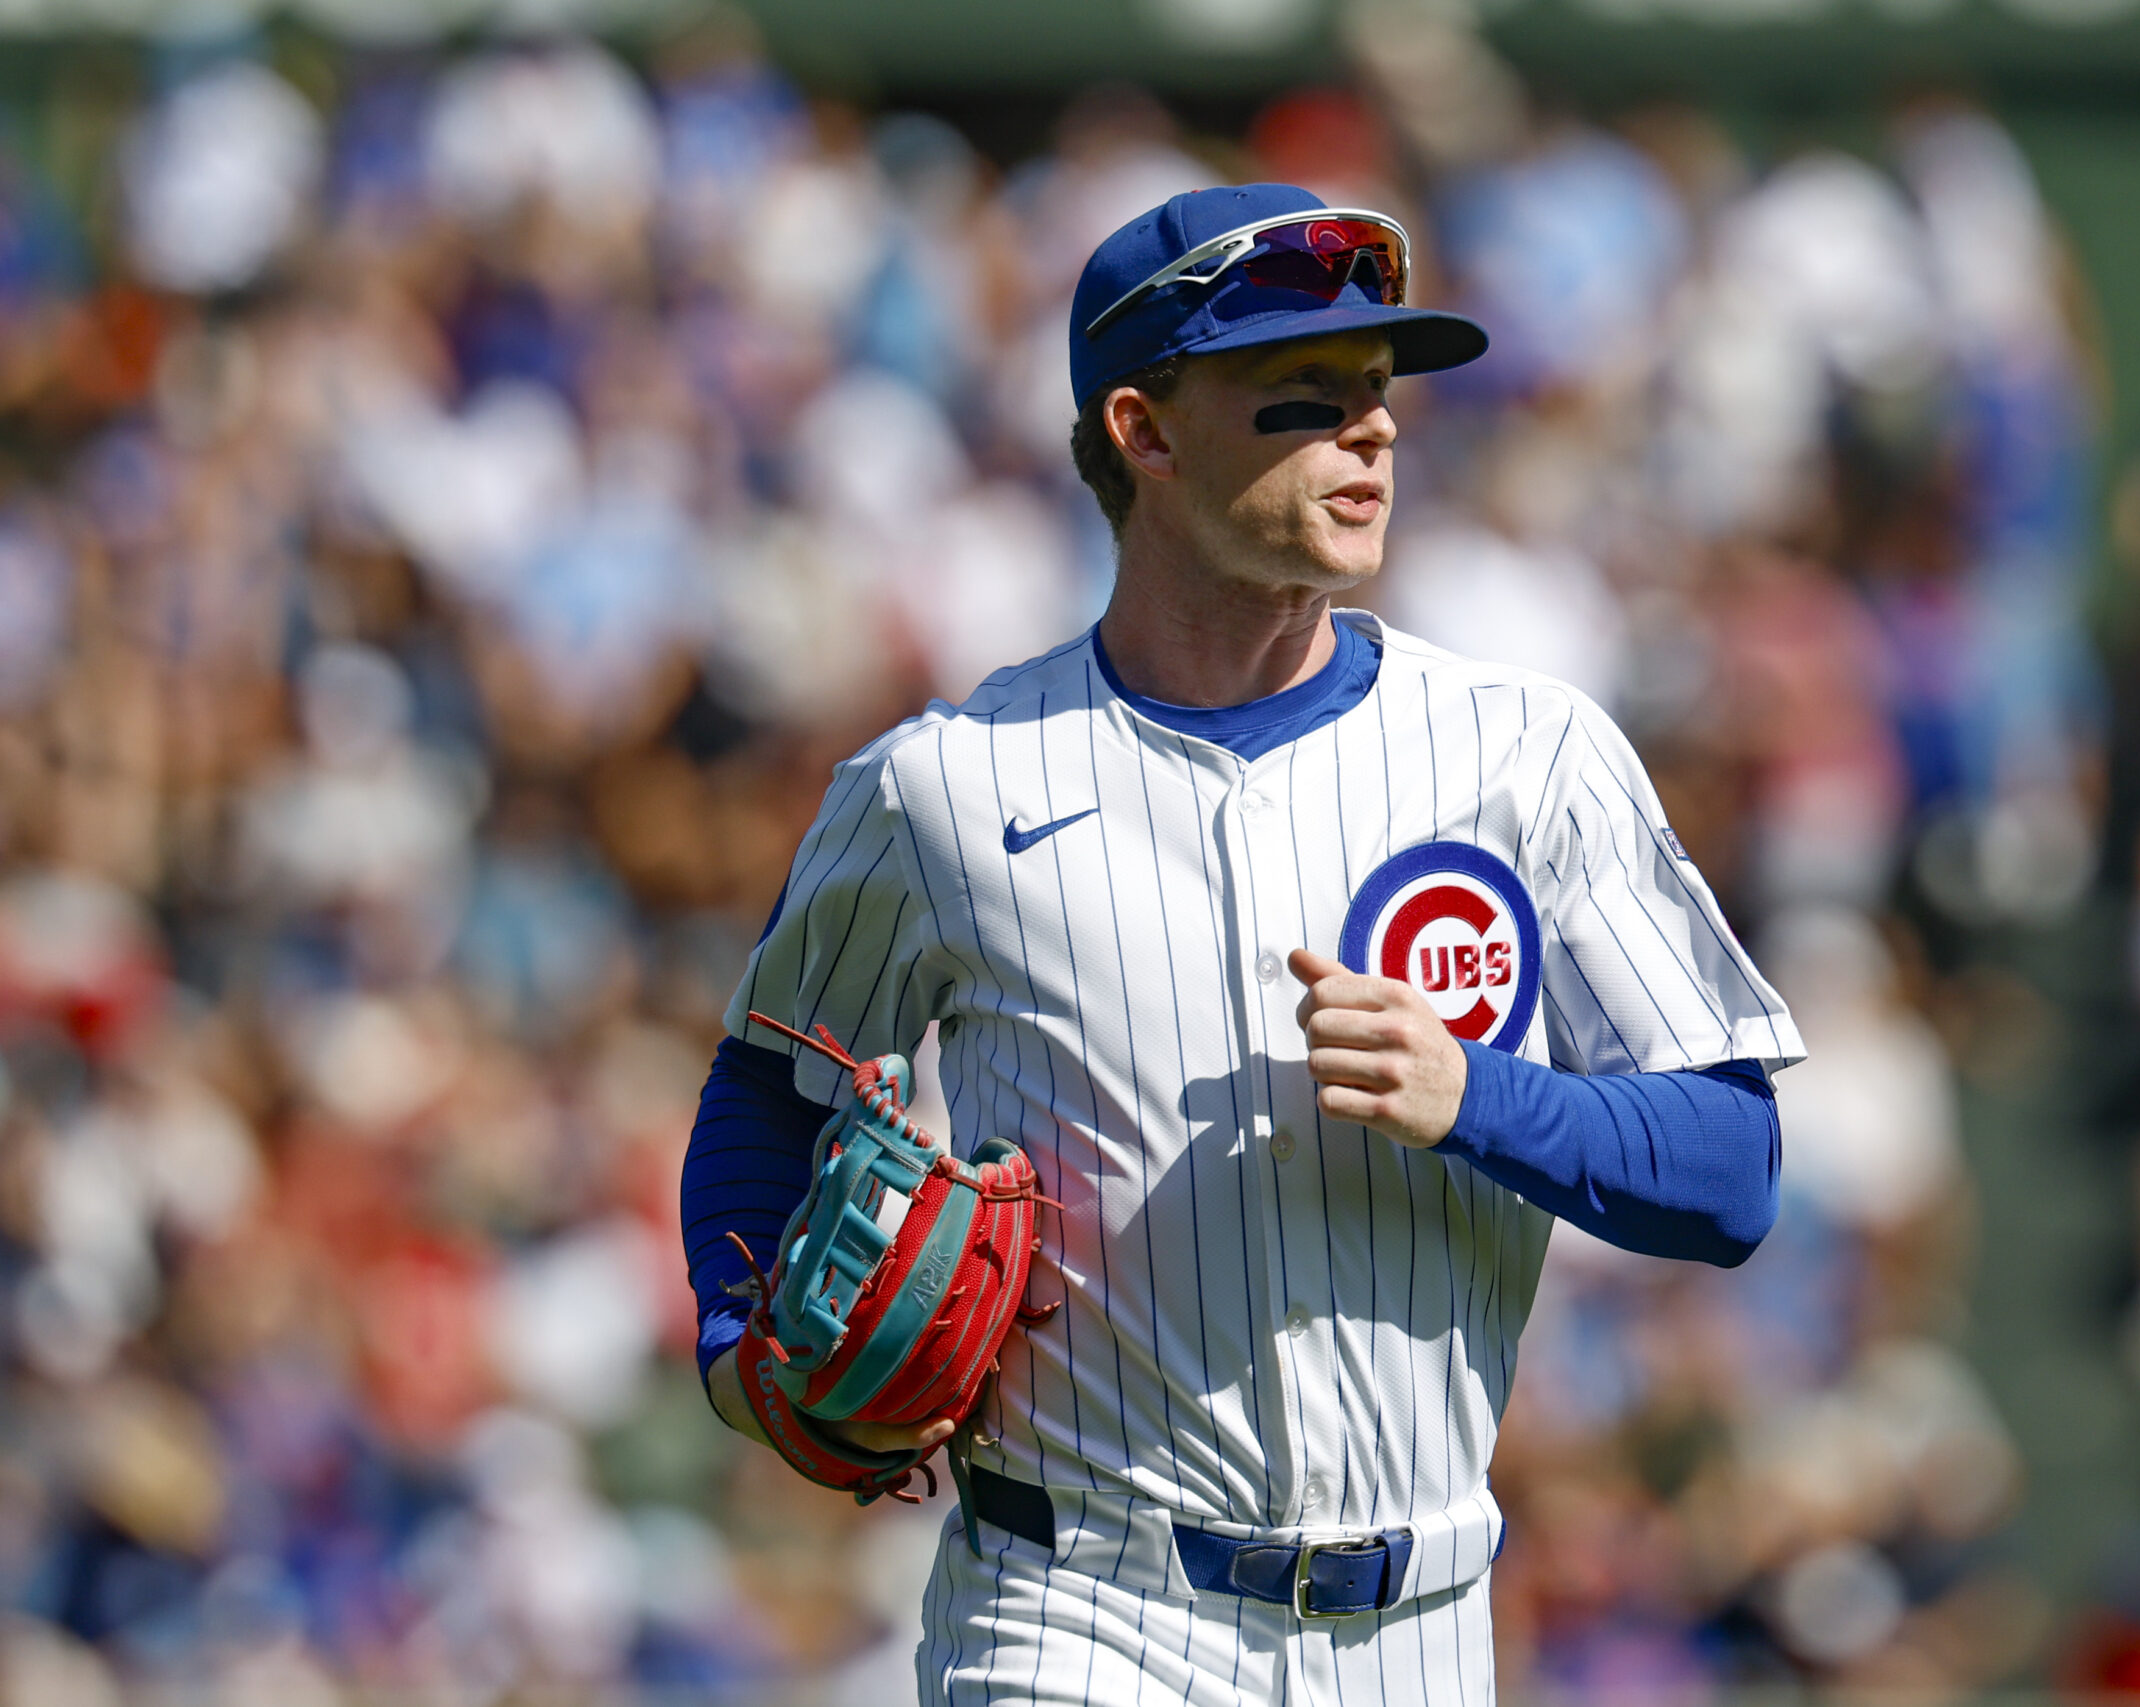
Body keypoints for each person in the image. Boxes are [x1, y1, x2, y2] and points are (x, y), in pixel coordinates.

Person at [679, 183, 1804, 1706]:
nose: (1375, 432)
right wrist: (739, 1347)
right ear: (1144, 431)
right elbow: (770, 1088)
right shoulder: (944, 788)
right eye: (1308, 397)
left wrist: (1477, 1096)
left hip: (1419, 1627)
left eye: (1379, 392)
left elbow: (1732, 1169)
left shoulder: (1526, 753)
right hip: (1076, 1605)